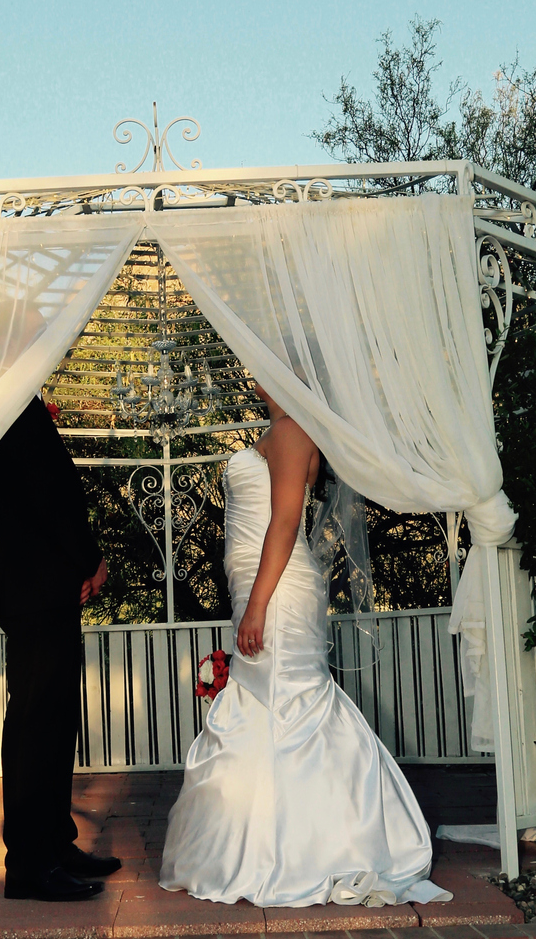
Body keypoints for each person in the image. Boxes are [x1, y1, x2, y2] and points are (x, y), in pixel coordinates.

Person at [160, 383, 452, 910]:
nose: (253, 373)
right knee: (266, 707)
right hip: (258, 584)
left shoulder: (292, 429)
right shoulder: (278, 432)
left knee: (289, 704)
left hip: (277, 592)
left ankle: (309, 850)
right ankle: (271, 843)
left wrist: (257, 607)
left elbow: (286, 520)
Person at [0, 395, 121, 903]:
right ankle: (29, 864)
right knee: (35, 727)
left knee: (58, 722)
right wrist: (91, 561)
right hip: (35, 591)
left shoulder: (18, 408)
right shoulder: (13, 407)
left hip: (44, 590)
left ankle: (55, 846)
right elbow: (51, 499)